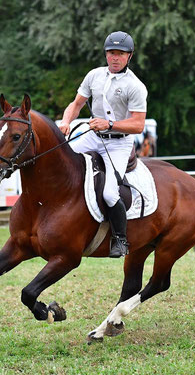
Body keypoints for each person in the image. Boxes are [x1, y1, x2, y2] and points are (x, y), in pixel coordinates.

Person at [59, 31, 148, 258]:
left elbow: (138, 125)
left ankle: (120, 239)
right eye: (111, 53)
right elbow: (76, 103)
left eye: (120, 54)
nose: (114, 58)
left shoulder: (135, 86)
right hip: (92, 135)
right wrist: (66, 122)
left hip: (118, 143)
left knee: (109, 193)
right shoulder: (94, 76)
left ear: (129, 56)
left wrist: (109, 124)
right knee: (60, 160)